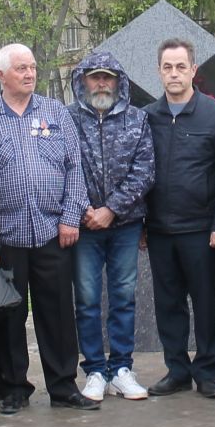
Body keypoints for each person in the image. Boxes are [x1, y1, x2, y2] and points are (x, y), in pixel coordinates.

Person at [0, 44, 97, 413]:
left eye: (32, 67)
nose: (29, 74)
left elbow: (75, 167)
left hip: (52, 232)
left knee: (58, 312)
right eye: (21, 68)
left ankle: (63, 386)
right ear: (0, 76)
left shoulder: (56, 112)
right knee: (9, 314)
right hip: (6, 236)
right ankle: (14, 388)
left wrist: (69, 218)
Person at [142, 38, 215, 399]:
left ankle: (207, 371)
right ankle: (177, 369)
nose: (174, 73)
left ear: (194, 70)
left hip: (202, 231)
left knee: (205, 303)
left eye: (181, 66)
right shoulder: (148, 116)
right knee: (168, 304)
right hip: (160, 230)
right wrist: (142, 224)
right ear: (159, 72)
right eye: (167, 67)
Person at [68, 51, 156, 403]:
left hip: (125, 224)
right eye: (94, 77)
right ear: (83, 81)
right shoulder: (67, 118)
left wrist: (112, 210)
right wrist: (86, 209)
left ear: (119, 82)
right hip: (83, 226)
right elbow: (62, 168)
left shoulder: (137, 119)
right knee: (87, 300)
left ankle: (121, 368)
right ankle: (93, 370)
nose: (101, 83)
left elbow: (144, 171)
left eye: (108, 77)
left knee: (123, 297)